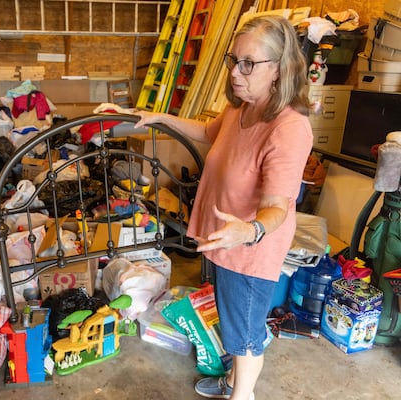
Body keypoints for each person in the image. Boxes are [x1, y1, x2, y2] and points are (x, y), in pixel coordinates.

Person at [133, 15, 313, 400]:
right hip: (226, 242)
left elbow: (278, 206)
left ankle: (241, 393)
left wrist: (248, 231)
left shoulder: (288, 127)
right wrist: (157, 118)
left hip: (250, 251)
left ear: (279, 69)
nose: (235, 72)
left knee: (245, 337)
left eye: (249, 63)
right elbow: (205, 131)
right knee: (234, 321)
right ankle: (232, 381)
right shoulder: (241, 109)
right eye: (233, 60)